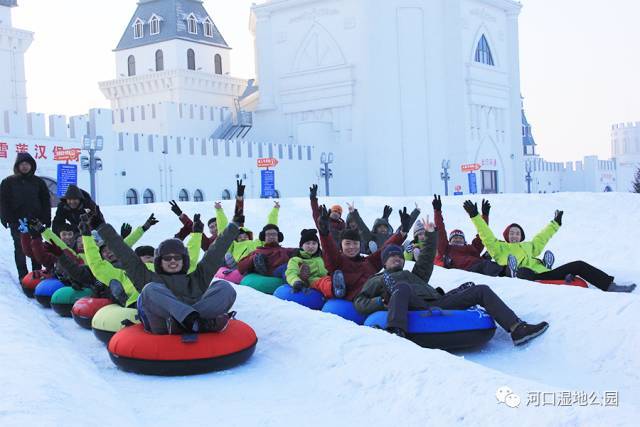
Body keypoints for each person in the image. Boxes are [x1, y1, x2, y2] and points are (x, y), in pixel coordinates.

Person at [354, 219, 550, 345]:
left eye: (399, 256)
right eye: (392, 257)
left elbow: (426, 259)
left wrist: (431, 235)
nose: (397, 258)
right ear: (384, 262)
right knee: (402, 288)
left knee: (480, 289)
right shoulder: (378, 279)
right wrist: (380, 302)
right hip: (412, 306)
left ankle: (517, 329)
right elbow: (359, 302)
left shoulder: (414, 275)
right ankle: (397, 333)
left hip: (436, 301)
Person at [95, 211, 240, 335]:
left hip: (193, 320)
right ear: (159, 261)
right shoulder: (148, 277)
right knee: (150, 289)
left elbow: (215, 253)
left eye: (177, 257)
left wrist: (233, 226)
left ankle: (193, 321)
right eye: (167, 258)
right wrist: (103, 227)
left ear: (184, 261)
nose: (173, 261)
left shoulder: (195, 279)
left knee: (224, 287)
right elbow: (125, 254)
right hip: (164, 323)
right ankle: (196, 321)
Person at [464, 201, 636, 293]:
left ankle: (609, 285)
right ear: (506, 235)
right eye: (511, 233)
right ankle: (515, 272)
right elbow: (485, 234)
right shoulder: (499, 248)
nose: (514, 235)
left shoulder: (530, 246)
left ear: (521, 236)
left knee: (579, 264)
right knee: (521, 271)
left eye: (517, 233)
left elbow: (542, 237)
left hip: (541, 273)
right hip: (520, 274)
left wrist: (555, 223)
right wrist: (475, 216)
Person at [313, 205, 410, 300]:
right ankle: (335, 289)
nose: (352, 247)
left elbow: (385, 248)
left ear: (360, 245)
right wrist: (324, 233)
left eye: (355, 243)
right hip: (356, 299)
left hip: (374, 296)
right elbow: (329, 249)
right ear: (341, 246)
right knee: (325, 281)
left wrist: (402, 232)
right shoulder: (338, 261)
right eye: (347, 243)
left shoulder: (369, 262)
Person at [0, 153, 50, 280]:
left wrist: (46, 219)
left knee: (36, 247)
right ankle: (23, 276)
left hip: (35, 221)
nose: (24, 166)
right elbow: (3, 202)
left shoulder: (39, 182)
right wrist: (5, 218)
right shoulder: (8, 182)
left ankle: (37, 274)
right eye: (22, 164)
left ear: (32, 166)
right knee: (20, 248)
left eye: (27, 164)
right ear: (17, 166)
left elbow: (45, 201)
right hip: (17, 222)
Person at [432, 195, 504, 276]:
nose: (458, 239)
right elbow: (441, 232)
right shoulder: (446, 249)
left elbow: (482, 235)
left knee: (496, 264)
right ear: (450, 241)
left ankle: (511, 271)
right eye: (455, 238)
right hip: (469, 269)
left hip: (480, 265)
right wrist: (437, 212)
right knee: (487, 265)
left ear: (464, 240)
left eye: (460, 238)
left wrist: (485, 215)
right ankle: (505, 271)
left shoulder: (471, 248)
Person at [347, 202, 420, 253]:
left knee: (400, 235)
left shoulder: (391, 236)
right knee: (371, 244)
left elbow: (405, 226)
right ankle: (374, 251)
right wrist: (354, 213)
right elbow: (362, 227)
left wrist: (416, 212)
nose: (383, 229)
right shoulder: (372, 236)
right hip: (376, 254)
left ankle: (403, 249)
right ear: (375, 228)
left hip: (391, 253)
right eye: (380, 227)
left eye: (385, 227)